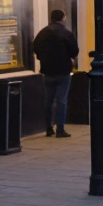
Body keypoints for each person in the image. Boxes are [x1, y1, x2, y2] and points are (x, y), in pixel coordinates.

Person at [32, 9, 79, 138]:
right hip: (63, 71)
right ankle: (60, 129)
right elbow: (74, 51)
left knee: (48, 100)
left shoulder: (42, 33)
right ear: (63, 18)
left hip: (47, 70)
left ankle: (48, 128)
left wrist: (43, 58)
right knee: (61, 100)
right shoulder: (67, 33)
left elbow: (35, 48)